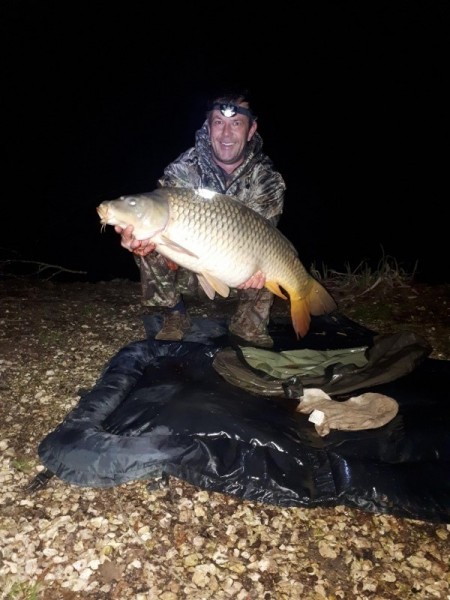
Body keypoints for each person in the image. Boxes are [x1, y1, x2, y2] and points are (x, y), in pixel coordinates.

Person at [116, 90, 286, 348]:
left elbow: (264, 235)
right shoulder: (184, 169)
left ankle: (248, 325)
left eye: (236, 123)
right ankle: (175, 314)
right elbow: (156, 210)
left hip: (239, 272)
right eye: (218, 122)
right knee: (151, 237)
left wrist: (256, 271)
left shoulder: (267, 179)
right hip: (190, 272)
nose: (226, 134)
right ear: (208, 126)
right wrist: (136, 238)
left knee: (267, 253)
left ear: (251, 130)